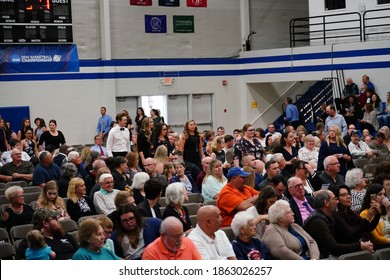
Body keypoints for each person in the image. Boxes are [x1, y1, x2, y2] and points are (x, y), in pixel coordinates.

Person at [303, 190, 373, 259]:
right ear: (326, 203)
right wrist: (360, 246)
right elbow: (334, 248)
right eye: (335, 199)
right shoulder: (317, 221)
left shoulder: (328, 217)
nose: (337, 202)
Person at [359, 183, 390, 249]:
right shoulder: (365, 213)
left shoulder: (386, 209)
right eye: (380, 194)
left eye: (384, 194)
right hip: (381, 247)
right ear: (371, 197)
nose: (383, 197)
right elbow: (376, 239)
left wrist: (388, 210)